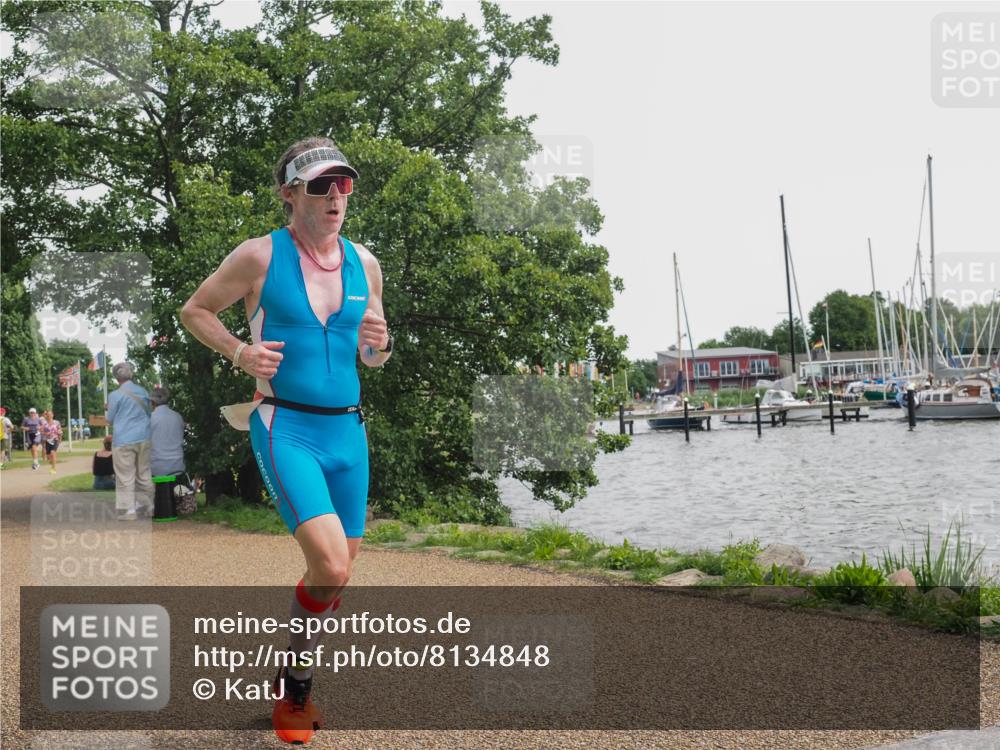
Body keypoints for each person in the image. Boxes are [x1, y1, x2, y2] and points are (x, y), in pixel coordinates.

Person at [181, 138, 391, 744]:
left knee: (339, 573)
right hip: (286, 425)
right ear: (289, 193)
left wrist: (380, 342)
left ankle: (292, 668)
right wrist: (239, 350)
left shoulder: (365, 263)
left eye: (343, 184)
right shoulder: (258, 256)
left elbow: (372, 355)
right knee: (328, 564)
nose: (335, 196)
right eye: (321, 185)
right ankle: (297, 688)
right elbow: (195, 311)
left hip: (348, 431)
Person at [106, 362, 154, 520]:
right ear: (131, 375)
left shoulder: (114, 396)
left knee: (125, 476)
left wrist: (107, 409)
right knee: (144, 473)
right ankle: (148, 506)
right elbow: (149, 412)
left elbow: (110, 419)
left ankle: (129, 511)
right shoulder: (143, 392)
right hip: (144, 437)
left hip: (124, 440)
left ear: (116, 378)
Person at [149, 386, 186, 477]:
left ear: (152, 402)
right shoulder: (178, 417)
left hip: (157, 468)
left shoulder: (150, 418)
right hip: (178, 467)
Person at [40, 409, 62, 474]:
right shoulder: (44, 423)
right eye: (48, 415)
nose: (49, 416)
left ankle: (54, 468)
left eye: (50, 414)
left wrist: (60, 438)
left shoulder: (56, 422)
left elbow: (60, 430)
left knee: (53, 452)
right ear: (46, 416)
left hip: (55, 439)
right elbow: (41, 430)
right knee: (49, 456)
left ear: (53, 415)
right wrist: (44, 433)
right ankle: (52, 462)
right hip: (48, 440)